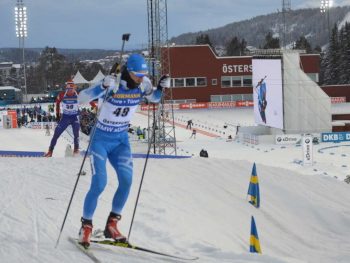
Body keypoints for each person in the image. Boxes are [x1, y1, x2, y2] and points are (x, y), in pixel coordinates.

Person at [77, 53, 170, 248]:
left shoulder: (143, 83)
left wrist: (160, 87)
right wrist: (102, 86)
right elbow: (81, 98)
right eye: (137, 74)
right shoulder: (113, 82)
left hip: (120, 141)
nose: (141, 78)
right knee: (99, 183)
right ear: (128, 71)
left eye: (143, 74)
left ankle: (112, 225)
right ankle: (86, 226)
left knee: (127, 181)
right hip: (100, 140)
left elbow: (154, 98)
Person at [44, 80, 80, 157]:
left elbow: (89, 99)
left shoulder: (78, 95)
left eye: (71, 89)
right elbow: (57, 103)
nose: (70, 91)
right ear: (66, 89)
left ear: (74, 88)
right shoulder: (62, 95)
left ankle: (76, 150)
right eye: (68, 89)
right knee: (56, 134)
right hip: (65, 118)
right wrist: (57, 114)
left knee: (76, 133)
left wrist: (95, 107)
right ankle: (50, 151)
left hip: (74, 117)